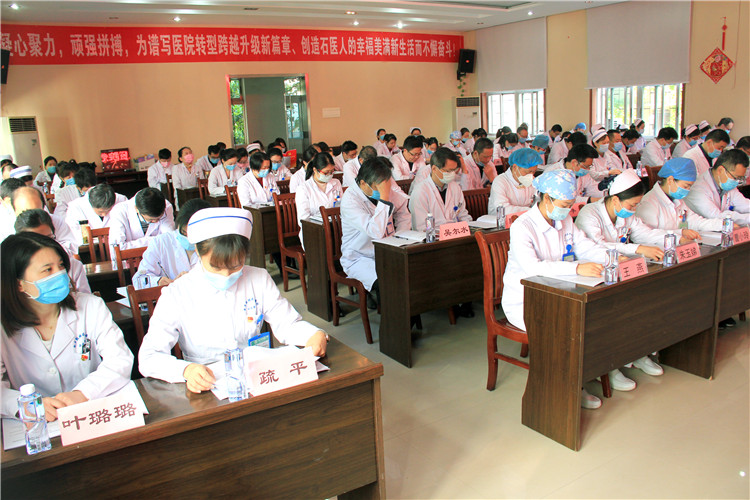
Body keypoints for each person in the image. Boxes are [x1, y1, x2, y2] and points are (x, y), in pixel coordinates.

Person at [138, 207, 328, 391]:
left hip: (258, 377)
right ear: (198, 250)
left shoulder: (258, 278)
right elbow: (149, 356)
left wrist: (313, 334)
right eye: (216, 267)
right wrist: (186, 370)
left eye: (236, 266)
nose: (226, 275)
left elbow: (287, 324)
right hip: (208, 384)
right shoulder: (177, 293)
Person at [501, 169, 609, 409]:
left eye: (571, 205)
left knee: (594, 318)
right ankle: (568, 389)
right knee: (566, 330)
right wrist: (577, 268)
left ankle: (588, 371)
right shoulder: (522, 226)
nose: (568, 210)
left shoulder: (564, 220)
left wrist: (612, 257)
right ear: (547, 198)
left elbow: (585, 247)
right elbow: (533, 268)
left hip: (560, 292)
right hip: (525, 300)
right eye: (565, 205)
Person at [0, 232, 133, 420]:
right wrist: (25, 405)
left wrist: (83, 393)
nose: (60, 274)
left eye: (61, 266)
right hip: (38, 422)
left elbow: (119, 359)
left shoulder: (90, 306)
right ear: (19, 284)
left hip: (91, 411)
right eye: (48, 270)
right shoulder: (3, 326)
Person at [575, 171, 667, 389]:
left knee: (644, 303)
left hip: (621, 271)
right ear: (615, 199)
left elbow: (645, 233)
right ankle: (611, 367)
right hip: (594, 275)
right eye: (632, 205)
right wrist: (637, 248)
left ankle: (638, 353)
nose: (633, 209)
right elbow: (596, 247)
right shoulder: (590, 213)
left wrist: (676, 237)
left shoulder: (625, 214)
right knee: (615, 313)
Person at [341, 157, 411, 306]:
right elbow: (375, 231)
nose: (384, 191)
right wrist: (384, 199)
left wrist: (400, 236)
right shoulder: (350, 200)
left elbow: (402, 209)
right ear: (363, 183)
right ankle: (392, 317)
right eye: (378, 188)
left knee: (410, 274)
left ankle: (409, 315)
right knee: (388, 282)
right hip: (360, 257)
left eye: (385, 186)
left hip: (387, 250)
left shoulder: (382, 187)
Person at [132, 199, 210, 289]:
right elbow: (139, 280)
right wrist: (157, 281)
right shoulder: (161, 243)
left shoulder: (215, 245)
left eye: (193, 235)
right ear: (178, 225)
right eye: (184, 232)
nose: (188, 238)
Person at [635, 157, 724, 235]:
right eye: (686, 186)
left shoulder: (677, 200)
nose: (688, 190)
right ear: (670, 180)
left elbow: (694, 221)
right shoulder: (648, 203)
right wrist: (679, 233)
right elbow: (648, 235)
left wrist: (723, 224)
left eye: (690, 186)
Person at [14, 209, 91, 294]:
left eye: (49, 239)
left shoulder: (73, 266)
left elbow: (86, 298)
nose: (44, 246)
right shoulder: (15, 272)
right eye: (35, 242)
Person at [410, 147, 472, 231]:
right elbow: (421, 227)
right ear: (434, 169)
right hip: (433, 236)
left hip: (455, 233)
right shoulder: (420, 191)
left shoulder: (455, 187)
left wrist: (468, 226)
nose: (452, 174)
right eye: (448, 171)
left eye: (454, 170)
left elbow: (463, 215)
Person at [3, 186, 79, 255]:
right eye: (24, 213)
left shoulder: (56, 221)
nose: (30, 217)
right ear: (14, 210)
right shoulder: (5, 228)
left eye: (36, 211)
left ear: (43, 207)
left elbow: (71, 249)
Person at [685, 149, 749, 225]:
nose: (737, 181)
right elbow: (717, 217)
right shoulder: (697, 189)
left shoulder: (727, 185)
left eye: (740, 178)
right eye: (735, 177)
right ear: (720, 170)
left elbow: (744, 205)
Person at [295, 153, 343, 249]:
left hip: (336, 227)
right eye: (326, 173)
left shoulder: (336, 183)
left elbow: (342, 207)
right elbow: (303, 219)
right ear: (315, 170)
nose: (329, 175)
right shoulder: (303, 189)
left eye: (332, 172)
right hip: (314, 232)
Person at [108, 187, 175, 252]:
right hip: (131, 257)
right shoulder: (119, 211)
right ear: (136, 209)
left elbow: (169, 238)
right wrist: (154, 240)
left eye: (159, 218)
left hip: (160, 255)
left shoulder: (166, 206)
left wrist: (133, 244)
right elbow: (118, 247)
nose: (155, 221)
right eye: (151, 220)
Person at [488, 148, 540, 217]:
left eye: (533, 172)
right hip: (500, 220)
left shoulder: (532, 180)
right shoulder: (500, 181)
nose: (531, 175)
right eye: (528, 172)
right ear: (515, 167)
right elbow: (503, 209)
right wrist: (531, 210)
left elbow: (539, 202)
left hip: (525, 218)